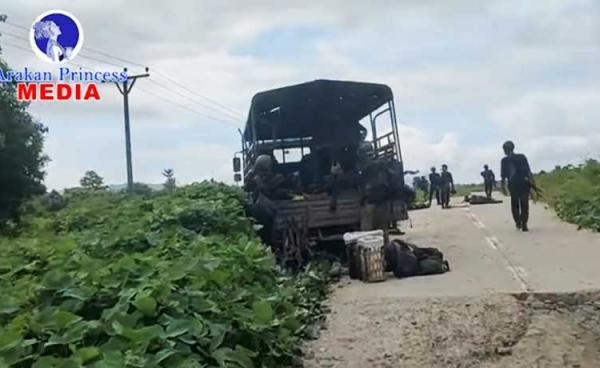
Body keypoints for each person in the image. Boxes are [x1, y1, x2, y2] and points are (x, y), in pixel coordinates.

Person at [500, 141, 533, 232]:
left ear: (505, 150)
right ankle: (524, 224)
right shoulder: (521, 157)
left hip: (513, 184)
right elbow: (528, 172)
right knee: (524, 204)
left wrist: (503, 187)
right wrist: (533, 183)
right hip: (523, 183)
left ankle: (518, 222)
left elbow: (503, 175)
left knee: (515, 205)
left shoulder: (504, 161)